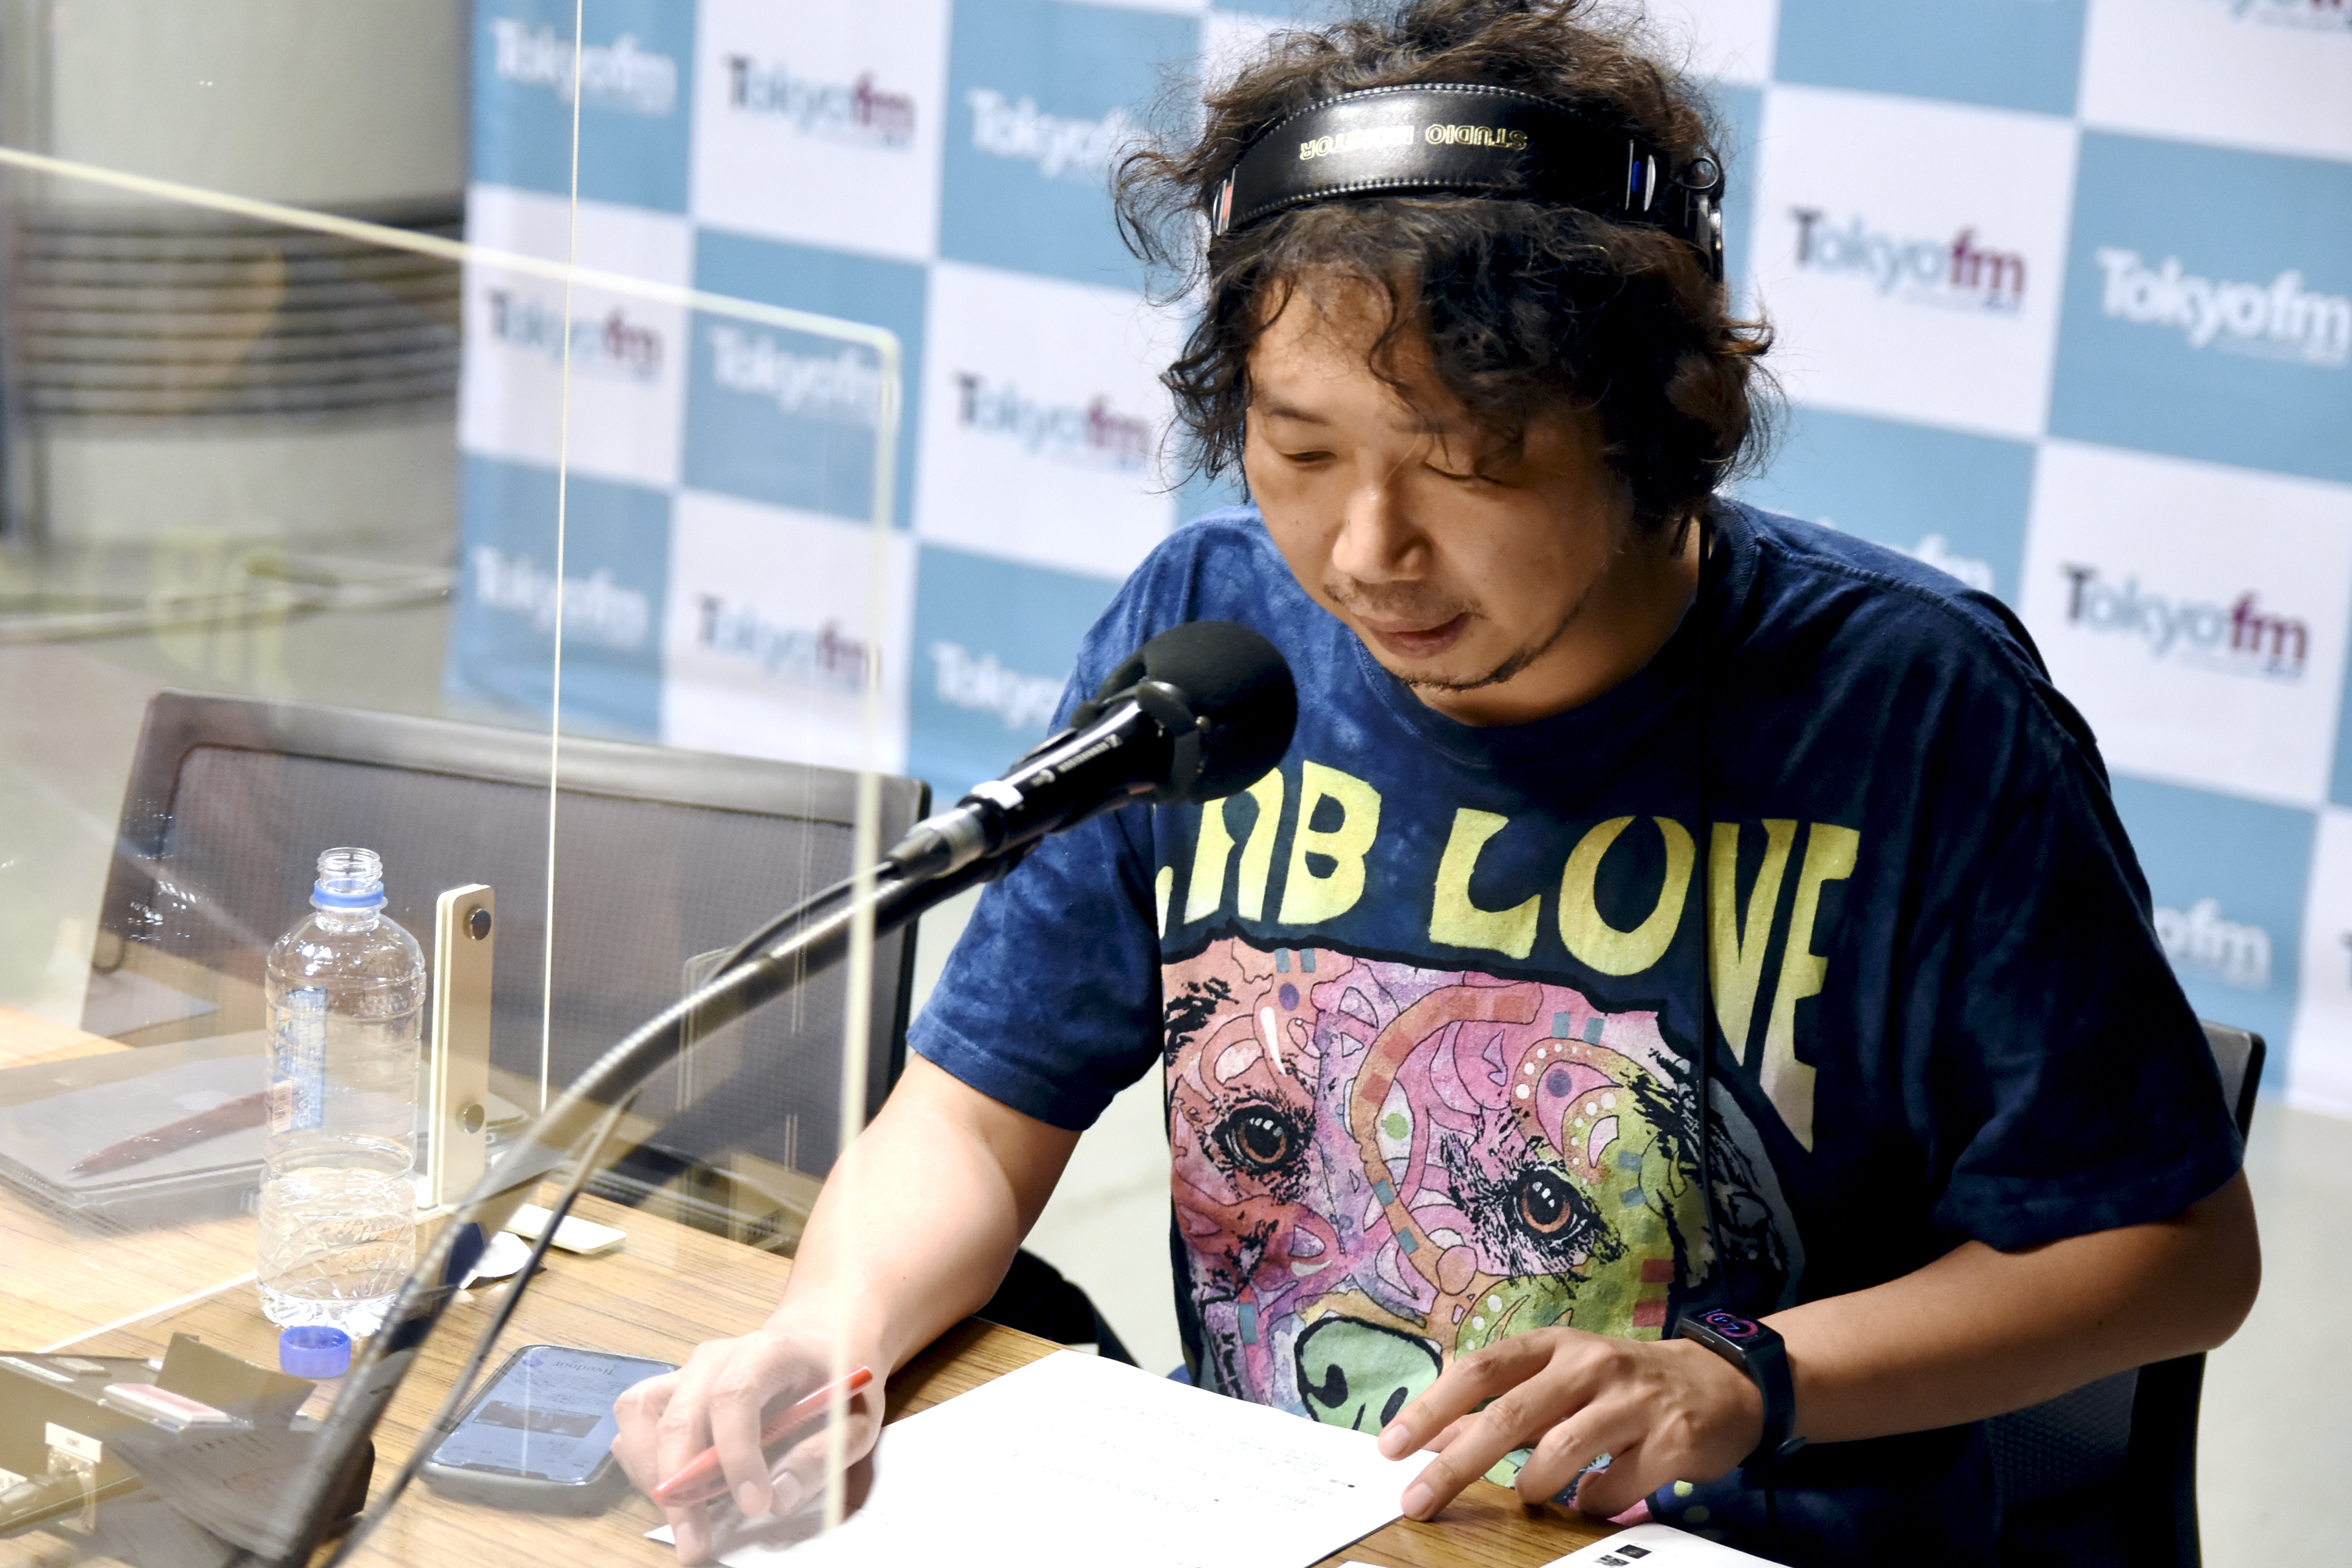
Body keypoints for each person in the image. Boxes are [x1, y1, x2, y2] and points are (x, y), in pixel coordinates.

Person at [611, 3, 2259, 1562]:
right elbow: (973, 1122)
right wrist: (824, 1332)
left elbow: (2173, 1256)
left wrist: (1742, 1379)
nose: (1365, 550)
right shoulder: (1209, 641)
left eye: (1468, 463)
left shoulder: (1911, 708)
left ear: (1648, 427)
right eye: (1300, 451)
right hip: (1284, 1523)